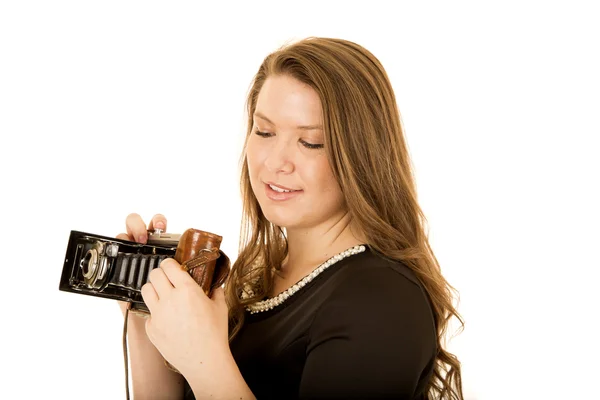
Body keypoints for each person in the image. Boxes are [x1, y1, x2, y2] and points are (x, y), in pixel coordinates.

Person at [117, 37, 464, 400]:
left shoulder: (382, 301)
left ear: (362, 156)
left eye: (310, 142)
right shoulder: (261, 279)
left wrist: (206, 360)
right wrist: (148, 315)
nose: (274, 162)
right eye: (264, 132)